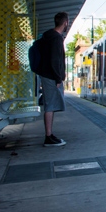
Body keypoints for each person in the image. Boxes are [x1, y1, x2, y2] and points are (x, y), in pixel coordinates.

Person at [35, 11, 69, 147]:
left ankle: (49, 135)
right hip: (51, 77)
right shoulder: (56, 38)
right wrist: (58, 79)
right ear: (65, 23)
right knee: (50, 106)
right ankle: (48, 137)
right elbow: (55, 60)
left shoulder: (48, 36)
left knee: (51, 105)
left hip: (47, 75)